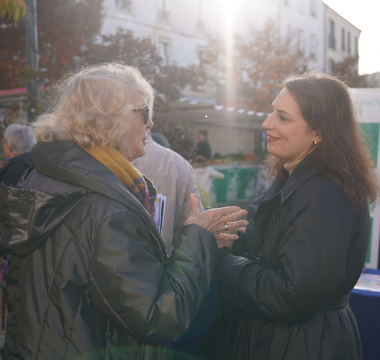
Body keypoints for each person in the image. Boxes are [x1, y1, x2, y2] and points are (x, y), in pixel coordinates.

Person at [0, 63, 248, 360]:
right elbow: (158, 318)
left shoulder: (45, 175)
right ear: (108, 120)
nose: (150, 123)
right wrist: (196, 241)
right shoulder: (109, 210)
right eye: (143, 112)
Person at [201, 72, 379, 360]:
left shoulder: (326, 195)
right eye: (272, 111)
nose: (267, 122)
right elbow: (276, 254)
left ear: (319, 132)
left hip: (300, 344)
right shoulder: (298, 179)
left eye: (283, 117)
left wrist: (224, 264)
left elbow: (291, 293)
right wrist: (229, 239)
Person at [132, 132, 204, 255]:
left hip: (109, 266)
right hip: (160, 264)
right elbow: (195, 228)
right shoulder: (179, 164)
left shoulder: (99, 156)